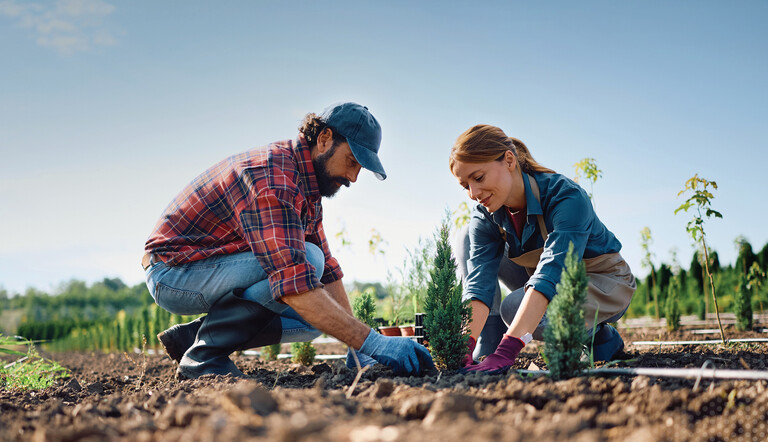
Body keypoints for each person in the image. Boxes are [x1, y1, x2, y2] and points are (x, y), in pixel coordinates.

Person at [142, 102, 434, 379]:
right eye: (351, 161)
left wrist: (357, 347)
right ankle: (204, 357)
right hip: (174, 272)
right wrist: (375, 344)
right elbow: (295, 282)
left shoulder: (306, 185)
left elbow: (328, 269)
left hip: (207, 269)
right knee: (308, 267)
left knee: (315, 317)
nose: (353, 178)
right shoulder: (273, 179)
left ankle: (193, 339)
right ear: (324, 139)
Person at [449, 124, 636, 372]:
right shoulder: (487, 215)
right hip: (549, 281)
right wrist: (464, 344)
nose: (474, 193)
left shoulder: (565, 196)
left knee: (513, 307)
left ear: (508, 160)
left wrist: (508, 351)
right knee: (466, 237)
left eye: (479, 178)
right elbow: (478, 284)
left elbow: (550, 273)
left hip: (604, 282)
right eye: (465, 186)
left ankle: (598, 337)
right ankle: (489, 339)